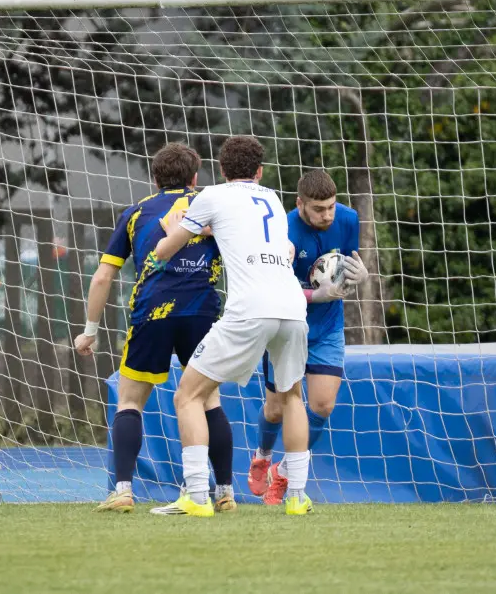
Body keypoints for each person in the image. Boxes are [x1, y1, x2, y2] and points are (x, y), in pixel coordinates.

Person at [146, 136, 314, 516]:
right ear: (260, 171)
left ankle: (196, 496)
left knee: (187, 396)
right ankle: (297, 497)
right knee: (292, 397)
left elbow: (168, 247)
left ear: (221, 170)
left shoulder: (212, 195)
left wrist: (163, 244)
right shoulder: (272, 198)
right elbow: (268, 243)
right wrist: (210, 230)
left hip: (250, 309)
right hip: (292, 306)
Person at [74, 142, 236, 513]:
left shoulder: (135, 213)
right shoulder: (212, 206)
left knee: (130, 400)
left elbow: (103, 277)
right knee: (208, 398)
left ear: (155, 179)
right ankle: (225, 492)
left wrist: (90, 329)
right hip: (202, 313)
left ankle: (123, 491)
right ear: (194, 177)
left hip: (153, 313)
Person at [248, 169, 368, 504]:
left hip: (327, 328)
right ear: (300, 203)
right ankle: (262, 455)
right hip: (286, 325)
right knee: (276, 409)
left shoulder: (348, 219)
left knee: (323, 405)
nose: (327, 215)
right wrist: (317, 295)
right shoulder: (281, 229)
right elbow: (273, 287)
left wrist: (358, 276)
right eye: (318, 209)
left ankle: (285, 471)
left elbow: (344, 266)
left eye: (331, 207)